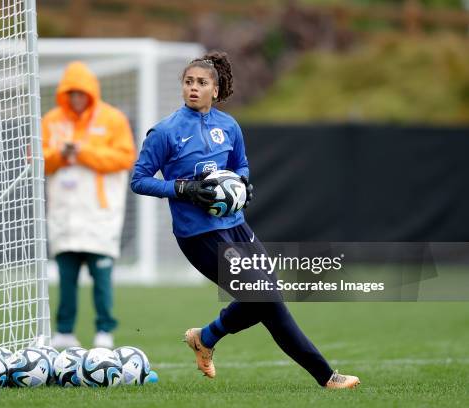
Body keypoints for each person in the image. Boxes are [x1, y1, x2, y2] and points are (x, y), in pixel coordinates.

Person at [130, 51, 360, 389]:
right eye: (189, 82)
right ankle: (326, 376)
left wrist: (242, 187)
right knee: (268, 302)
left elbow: (242, 167)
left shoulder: (229, 126)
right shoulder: (165, 132)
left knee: (266, 296)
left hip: (237, 226)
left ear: (216, 91)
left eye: (202, 83)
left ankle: (205, 337)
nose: (194, 88)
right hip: (199, 235)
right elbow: (139, 179)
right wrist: (184, 188)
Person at [43, 61, 136, 349]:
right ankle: (64, 331)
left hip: (100, 214)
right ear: (65, 94)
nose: (77, 98)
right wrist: (61, 153)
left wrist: (84, 152)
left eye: (81, 92)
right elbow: (38, 159)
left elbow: (124, 158)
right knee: (66, 278)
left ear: (91, 93)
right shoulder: (51, 120)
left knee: (101, 277)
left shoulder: (112, 119)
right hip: (64, 213)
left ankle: (104, 331)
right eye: (71, 93)